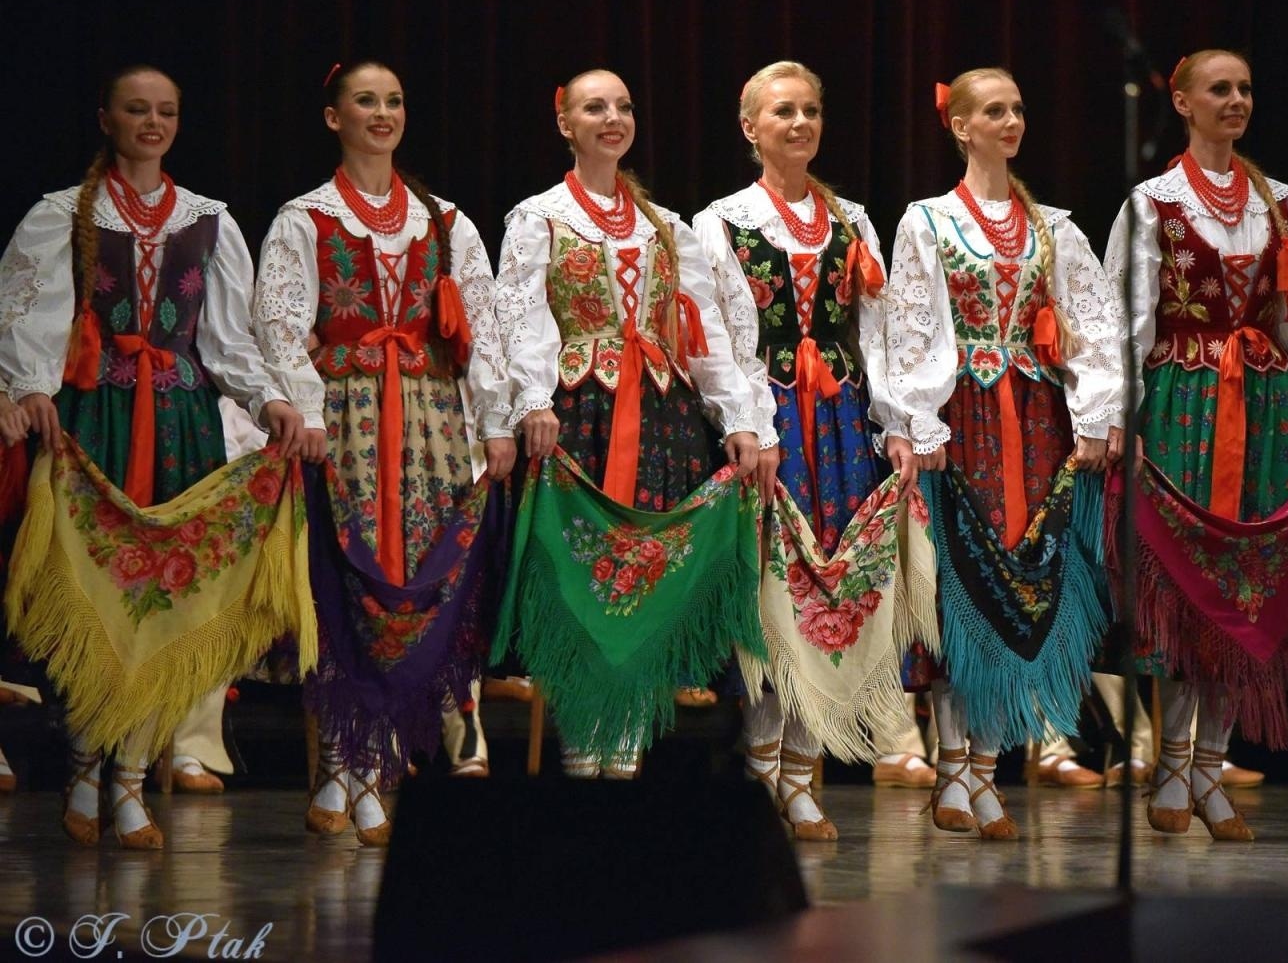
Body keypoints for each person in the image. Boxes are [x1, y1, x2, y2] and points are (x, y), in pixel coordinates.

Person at [0, 65, 302, 848]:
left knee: (163, 598)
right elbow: (28, 315)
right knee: (94, 592)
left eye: (165, 111)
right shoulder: (65, 214)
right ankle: (80, 769)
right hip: (94, 418)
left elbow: (228, 340)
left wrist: (266, 398)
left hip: (180, 422)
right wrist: (31, 386)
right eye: (137, 110)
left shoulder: (208, 221)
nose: (152, 122)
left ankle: (131, 781)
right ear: (107, 117)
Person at [1106, 49, 1288, 841]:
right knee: (1183, 591)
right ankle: (1174, 767)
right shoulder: (1152, 203)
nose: (1236, 100)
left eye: (1246, 88)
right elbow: (1127, 327)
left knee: (1245, 587)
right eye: (1219, 89)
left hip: (1259, 404)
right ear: (1182, 102)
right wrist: (1125, 420)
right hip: (1184, 401)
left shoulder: (1283, 205)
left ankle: (1211, 772)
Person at [254, 60, 515, 846]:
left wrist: (496, 419)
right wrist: (305, 410)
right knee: (348, 579)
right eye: (365, 101)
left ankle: (379, 766)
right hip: (349, 417)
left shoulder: (446, 221)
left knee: (414, 584)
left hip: (432, 419)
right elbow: (279, 322)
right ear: (333, 116)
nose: (382, 113)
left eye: (393, 100)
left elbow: (485, 324)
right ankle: (343, 759)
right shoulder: (306, 217)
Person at [494, 68, 760, 779]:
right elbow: (520, 320)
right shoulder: (539, 217)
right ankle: (585, 749)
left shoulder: (666, 228)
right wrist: (533, 402)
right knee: (584, 574)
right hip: (582, 415)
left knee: (649, 577)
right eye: (594, 107)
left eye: (622, 107)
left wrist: (736, 417)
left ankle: (630, 747)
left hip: (663, 419)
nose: (612, 118)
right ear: (566, 123)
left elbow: (702, 336)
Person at [881, 67, 1124, 838]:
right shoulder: (927, 221)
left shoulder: (1055, 226)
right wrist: (920, 422)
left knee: (1032, 578)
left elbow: (1091, 323)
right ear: (961, 127)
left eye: (1018, 108)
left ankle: (986, 771)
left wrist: (1095, 411)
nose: (1012, 120)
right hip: (966, 421)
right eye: (995, 110)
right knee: (963, 589)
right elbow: (910, 327)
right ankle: (956, 771)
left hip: (1039, 418)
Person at [692, 60, 891, 840]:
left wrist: (899, 425)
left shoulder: (854, 220)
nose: (801, 123)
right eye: (784, 112)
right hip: (769, 425)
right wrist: (749, 424)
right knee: (771, 600)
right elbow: (724, 336)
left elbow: (875, 332)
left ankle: (803, 774)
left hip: (840, 429)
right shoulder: (724, 222)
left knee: (833, 595)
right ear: (751, 128)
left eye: (811, 110)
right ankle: (759, 765)